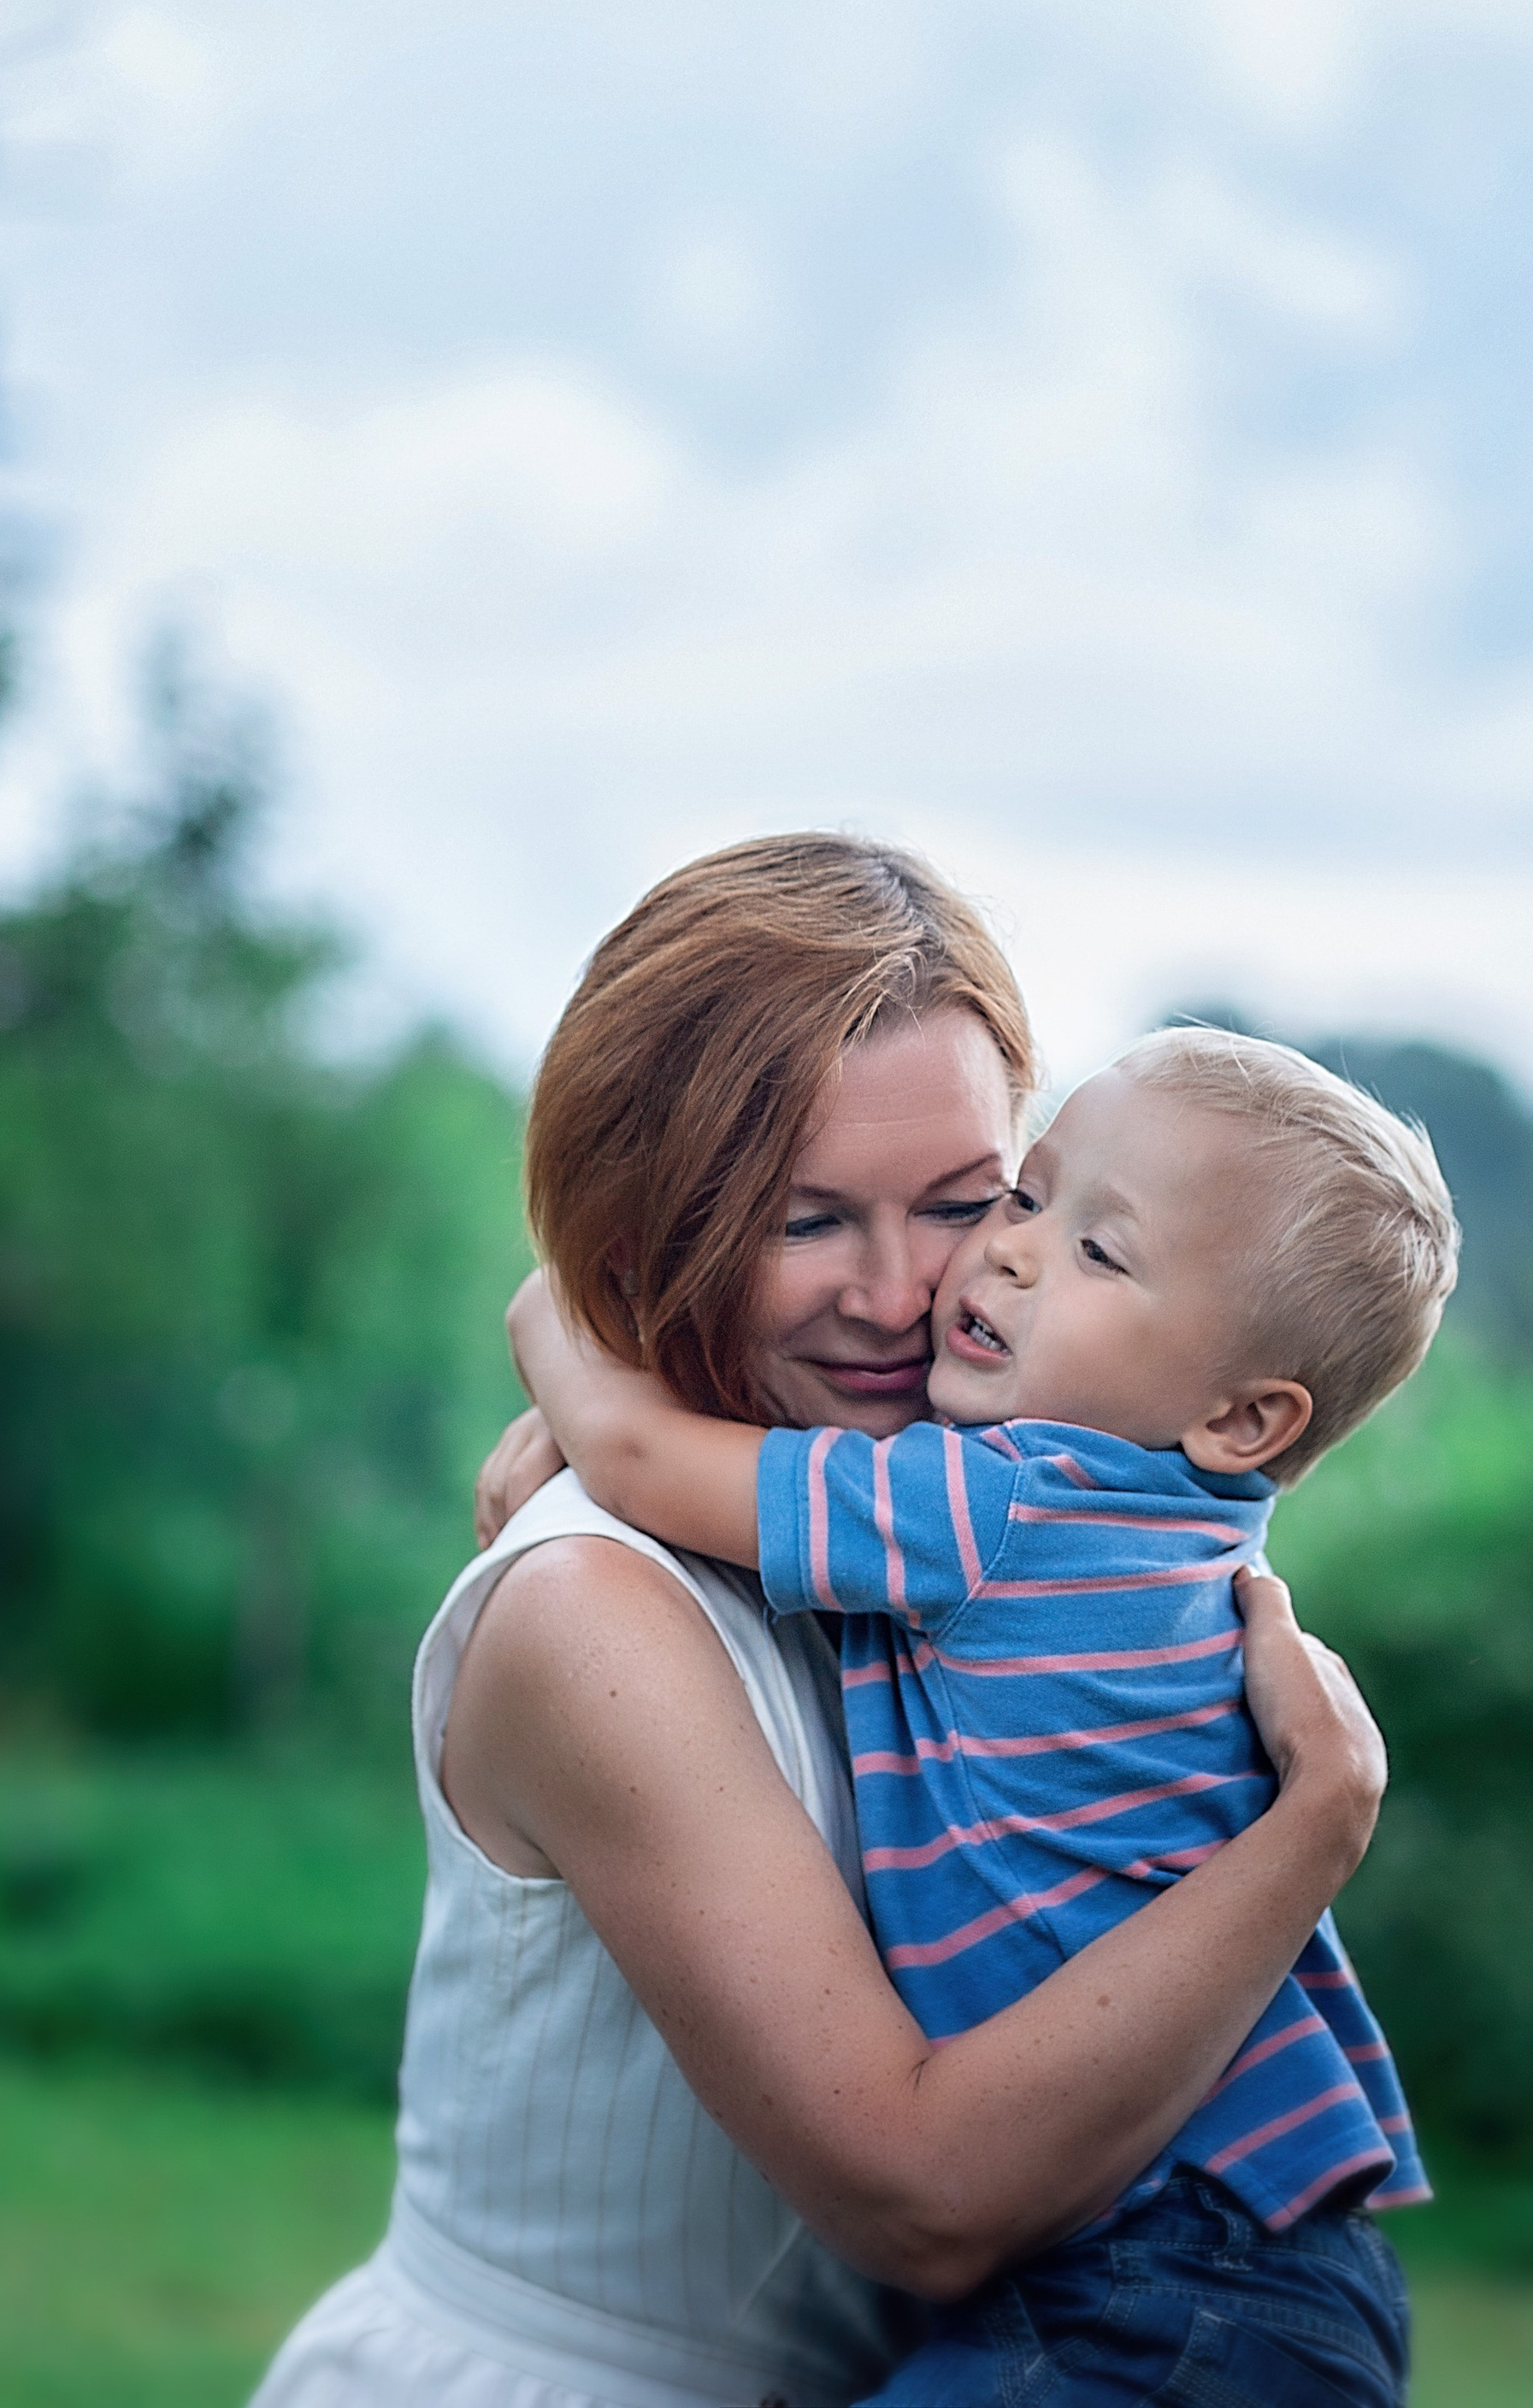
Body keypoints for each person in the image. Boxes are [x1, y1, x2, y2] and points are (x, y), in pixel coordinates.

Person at [252, 837, 1397, 2408]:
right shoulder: (601, 1599)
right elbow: (925, 2195)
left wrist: (585, 1384)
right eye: (807, 1223)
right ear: (646, 1232)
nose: (903, 1291)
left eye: (967, 1201)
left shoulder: (940, 1525)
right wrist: (1319, 1819)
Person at [511, 1018, 1456, 2407]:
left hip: (1164, 2278)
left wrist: (554, 1316)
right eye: (1028, 1192)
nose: (1008, 1250)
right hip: (1255, 2262)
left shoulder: (1002, 1506)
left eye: (1099, 1250)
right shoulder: (1180, 1533)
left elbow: (641, 1452)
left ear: (1247, 1421)